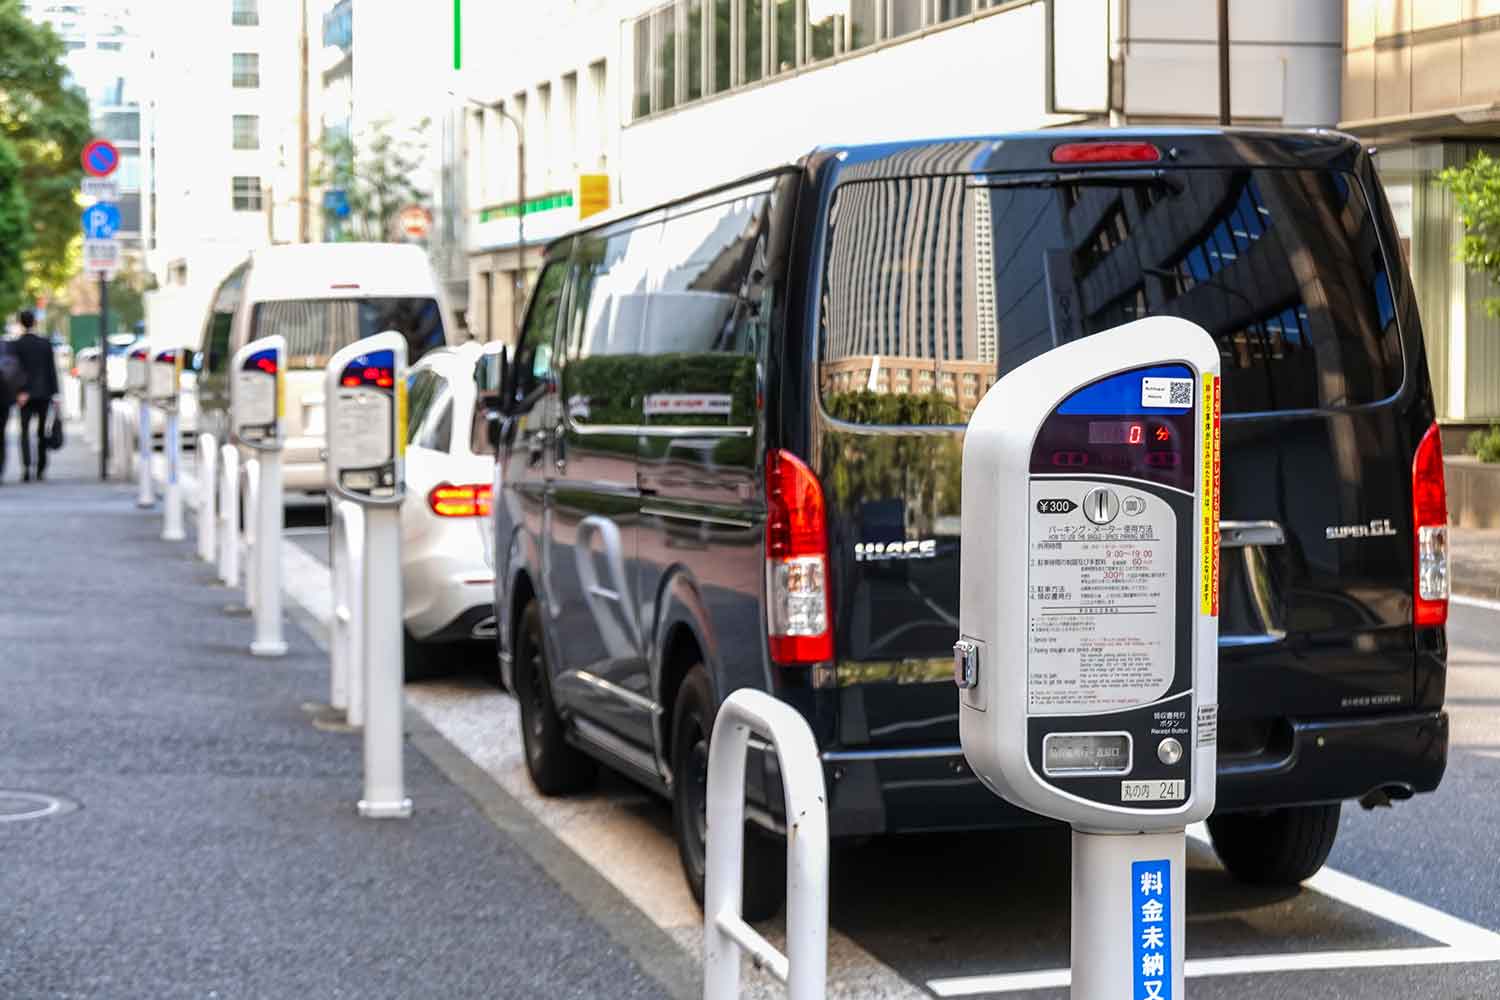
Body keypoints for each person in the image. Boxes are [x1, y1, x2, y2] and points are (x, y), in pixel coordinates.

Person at [13, 310, 59, 482]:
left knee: (24, 432)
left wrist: (19, 391)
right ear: (35, 323)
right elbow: (51, 371)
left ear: (20, 323)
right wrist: (55, 393)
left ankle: (26, 468)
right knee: (41, 432)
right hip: (44, 393)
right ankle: (41, 469)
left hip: (23, 395)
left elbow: (14, 371)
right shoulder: (45, 343)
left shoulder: (17, 345)